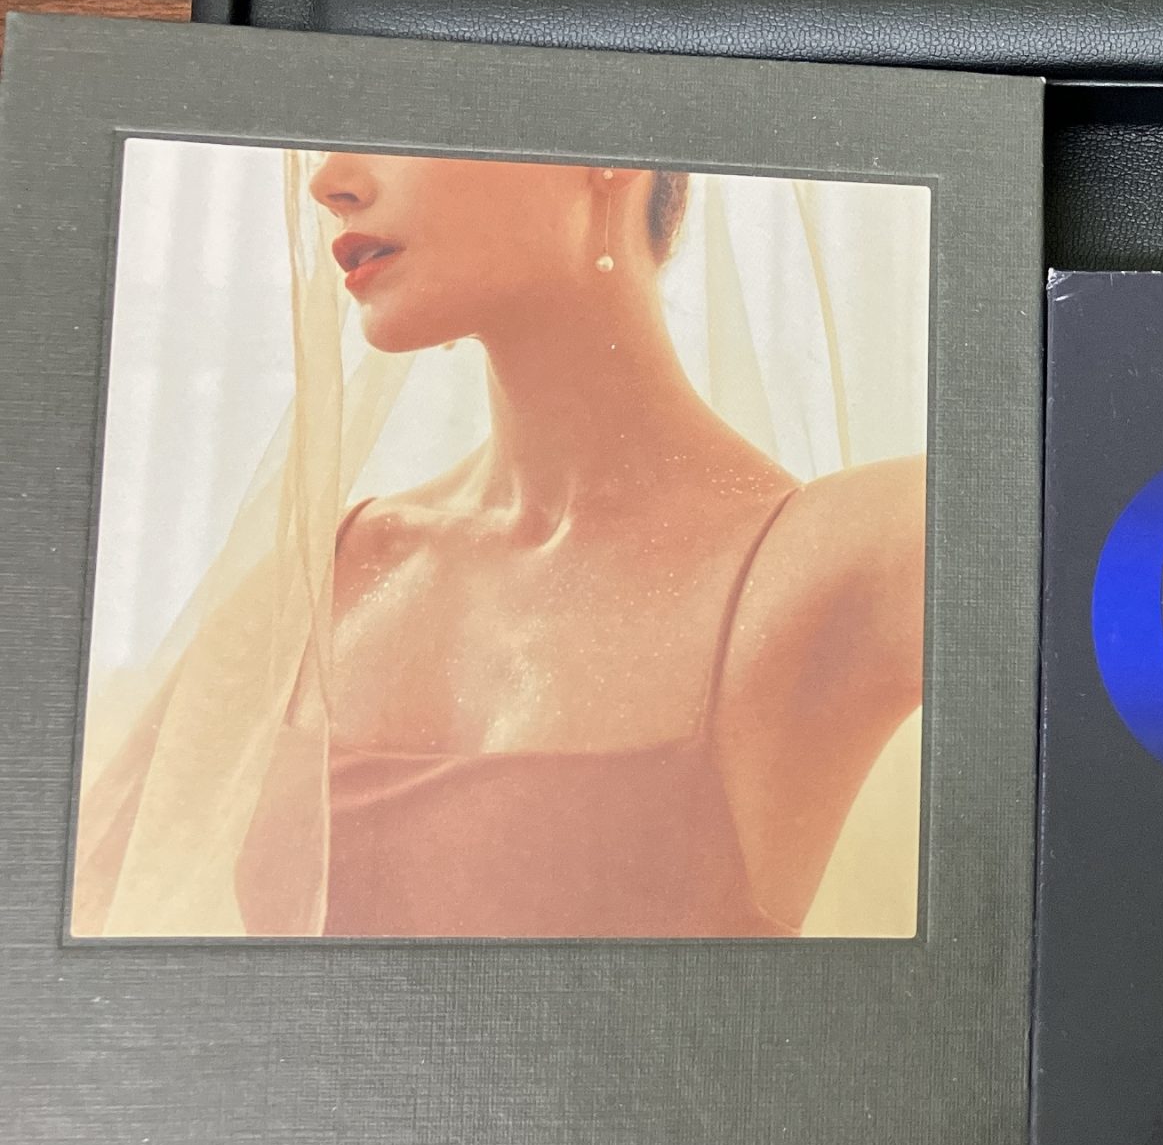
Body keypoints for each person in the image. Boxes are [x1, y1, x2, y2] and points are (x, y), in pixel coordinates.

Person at [74, 154, 924, 938]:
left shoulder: (843, 556)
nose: (328, 181)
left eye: (406, 116)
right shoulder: (333, 573)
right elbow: (65, 921)